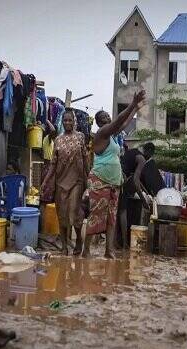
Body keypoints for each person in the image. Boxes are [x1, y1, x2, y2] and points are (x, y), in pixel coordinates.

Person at [83, 90, 146, 258]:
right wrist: (132, 104)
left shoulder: (111, 137)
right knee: (96, 216)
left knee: (112, 217)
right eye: (103, 117)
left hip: (114, 183)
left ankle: (109, 251)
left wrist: (136, 109)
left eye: (107, 116)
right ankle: (86, 250)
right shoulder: (102, 134)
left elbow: (122, 124)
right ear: (98, 123)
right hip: (100, 180)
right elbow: (118, 121)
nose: (107, 118)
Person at [41, 109, 89, 256]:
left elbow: (86, 159)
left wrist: (89, 180)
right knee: (61, 216)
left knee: (74, 214)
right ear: (62, 122)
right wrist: (45, 181)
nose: (68, 123)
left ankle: (79, 240)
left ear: (74, 122)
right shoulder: (58, 140)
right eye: (65, 120)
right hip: (60, 182)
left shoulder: (80, 137)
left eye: (70, 120)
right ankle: (63, 246)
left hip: (77, 181)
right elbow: (53, 164)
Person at [118, 142, 164, 248]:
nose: (150, 156)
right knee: (123, 211)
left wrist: (147, 193)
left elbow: (137, 179)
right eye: (150, 154)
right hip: (120, 178)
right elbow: (135, 180)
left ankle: (118, 241)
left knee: (119, 210)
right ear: (149, 152)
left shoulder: (133, 152)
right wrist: (143, 200)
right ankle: (125, 242)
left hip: (118, 174)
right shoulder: (142, 159)